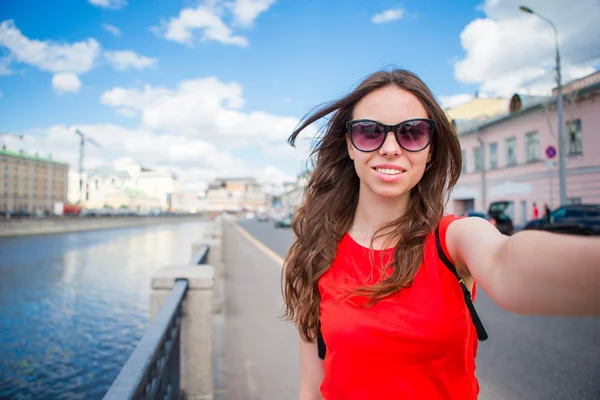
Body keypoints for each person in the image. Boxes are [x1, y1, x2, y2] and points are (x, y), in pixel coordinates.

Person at [281, 69, 600, 400]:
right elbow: (312, 387)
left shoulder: (454, 239)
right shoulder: (316, 253)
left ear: (430, 149)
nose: (390, 148)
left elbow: (509, 265)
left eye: (412, 133)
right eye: (369, 132)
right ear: (349, 145)